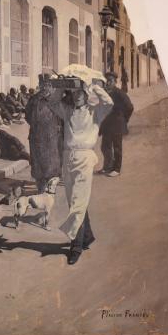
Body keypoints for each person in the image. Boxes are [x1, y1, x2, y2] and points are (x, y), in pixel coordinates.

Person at [47, 80, 113, 265]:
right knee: (74, 201)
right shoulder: (67, 111)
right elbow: (52, 103)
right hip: (68, 159)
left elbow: (109, 103)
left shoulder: (95, 112)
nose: (76, 96)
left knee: (78, 202)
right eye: (74, 93)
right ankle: (87, 236)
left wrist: (94, 87)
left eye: (80, 93)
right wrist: (60, 87)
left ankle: (75, 246)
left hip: (84, 158)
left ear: (86, 95)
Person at [24, 74, 63, 193]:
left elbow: (63, 118)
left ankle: (50, 187)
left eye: (48, 85)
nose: (45, 87)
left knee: (51, 164)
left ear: (52, 86)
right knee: (37, 164)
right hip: (36, 137)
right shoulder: (34, 99)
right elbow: (27, 115)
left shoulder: (56, 100)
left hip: (51, 138)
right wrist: (36, 125)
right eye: (43, 84)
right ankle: (41, 188)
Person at [98, 71, 134, 177]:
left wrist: (124, 119)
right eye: (106, 81)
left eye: (110, 81)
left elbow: (130, 107)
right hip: (106, 124)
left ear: (115, 82)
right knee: (105, 146)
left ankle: (116, 169)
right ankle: (107, 167)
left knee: (117, 147)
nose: (108, 83)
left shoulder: (119, 93)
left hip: (117, 124)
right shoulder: (104, 93)